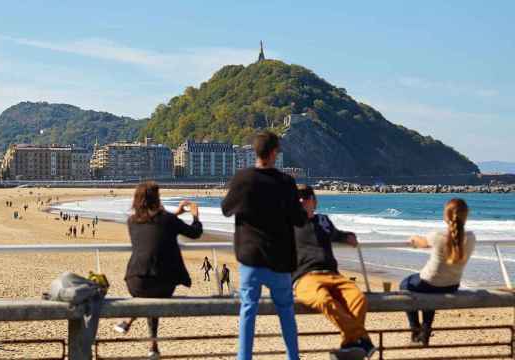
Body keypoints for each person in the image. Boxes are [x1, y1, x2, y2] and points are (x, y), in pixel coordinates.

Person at [221, 131, 307, 360]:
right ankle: (292, 357)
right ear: (273, 153)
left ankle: (244, 358)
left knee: (248, 310)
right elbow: (299, 219)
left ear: (255, 152)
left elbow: (226, 209)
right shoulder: (286, 182)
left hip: (251, 257)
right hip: (280, 259)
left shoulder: (243, 179)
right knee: (286, 313)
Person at [114, 181, 203, 359]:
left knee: (147, 294)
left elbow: (154, 226)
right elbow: (195, 233)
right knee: (155, 291)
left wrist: (174, 214)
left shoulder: (132, 222)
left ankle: (145, 337)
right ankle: (151, 344)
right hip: (163, 282)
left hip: (135, 281)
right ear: (157, 199)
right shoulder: (168, 220)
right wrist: (195, 215)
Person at [292, 185, 376, 360]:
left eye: (306, 197)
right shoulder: (287, 223)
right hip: (305, 277)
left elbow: (337, 234)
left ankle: (348, 345)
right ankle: (364, 340)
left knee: (358, 299)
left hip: (333, 274)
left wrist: (348, 237)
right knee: (324, 300)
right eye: (298, 197)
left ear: (314, 202)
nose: (301, 200)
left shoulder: (324, 221)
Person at [400, 198, 475, 346]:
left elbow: (419, 242)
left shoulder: (437, 236)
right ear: (466, 215)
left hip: (428, 282)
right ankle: (426, 330)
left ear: (446, 216)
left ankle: (415, 330)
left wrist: (413, 237)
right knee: (432, 291)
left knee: (404, 284)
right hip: (453, 285)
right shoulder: (472, 237)